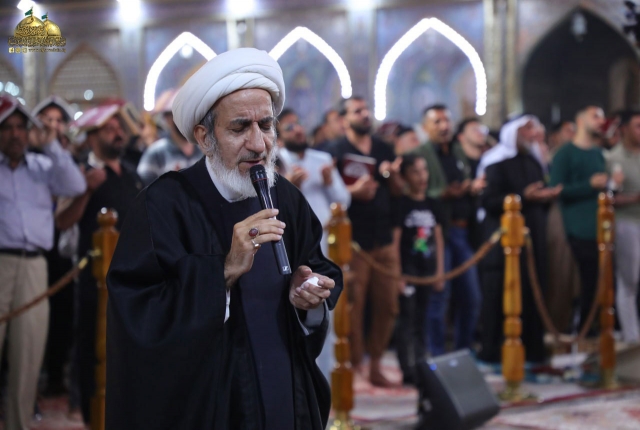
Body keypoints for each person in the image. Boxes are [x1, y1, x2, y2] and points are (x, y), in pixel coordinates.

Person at [105, 48, 342, 430]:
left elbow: (315, 269)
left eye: (266, 125)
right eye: (239, 128)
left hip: (283, 390)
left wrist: (308, 293)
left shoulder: (285, 198)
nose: (258, 144)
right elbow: (138, 312)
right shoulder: (164, 205)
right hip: (208, 404)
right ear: (204, 137)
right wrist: (224, 270)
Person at [0, 94, 86, 429]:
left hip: (35, 267)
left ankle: (19, 423)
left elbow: (76, 184)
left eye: (21, 127)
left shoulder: (42, 167)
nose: (15, 134)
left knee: (28, 354)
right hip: (1, 263)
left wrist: (51, 145)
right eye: (7, 128)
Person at [56, 102, 144, 424]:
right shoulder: (80, 173)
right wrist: (85, 191)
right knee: (92, 343)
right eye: (109, 128)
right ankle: (90, 415)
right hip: (95, 276)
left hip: (132, 277)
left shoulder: (132, 175)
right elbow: (63, 221)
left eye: (119, 127)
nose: (118, 133)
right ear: (92, 137)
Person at [332, 96, 403, 386]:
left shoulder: (383, 148)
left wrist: (393, 176)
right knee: (354, 305)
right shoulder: (335, 151)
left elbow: (397, 192)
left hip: (383, 238)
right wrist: (353, 192)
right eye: (357, 111)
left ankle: (376, 363)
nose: (365, 115)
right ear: (344, 119)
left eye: (366, 110)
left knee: (388, 305)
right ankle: (356, 365)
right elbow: (328, 194)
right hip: (353, 241)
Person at [478, 115, 561, 363]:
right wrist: (523, 197)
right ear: (512, 133)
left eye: (532, 130)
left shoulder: (534, 162)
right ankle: (495, 351)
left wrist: (546, 196)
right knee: (501, 295)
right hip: (503, 243)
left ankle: (532, 349)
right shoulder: (496, 162)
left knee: (532, 292)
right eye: (525, 130)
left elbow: (538, 198)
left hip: (532, 239)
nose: (530, 135)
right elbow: (490, 202)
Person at [276, 107, 350, 381]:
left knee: (324, 310)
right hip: (290, 247)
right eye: (289, 127)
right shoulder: (276, 160)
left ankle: (325, 379)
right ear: (279, 137)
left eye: (298, 124)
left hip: (326, 246)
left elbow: (343, 201)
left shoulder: (322, 159)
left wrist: (330, 182)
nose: (297, 130)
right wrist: (287, 185)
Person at [413, 104, 482, 356]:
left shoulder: (457, 151)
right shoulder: (419, 154)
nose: (444, 126)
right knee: (438, 296)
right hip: (435, 233)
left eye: (447, 121)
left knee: (471, 298)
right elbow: (416, 192)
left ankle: (463, 353)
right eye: (437, 122)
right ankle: (437, 355)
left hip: (462, 232)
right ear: (425, 127)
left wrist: (470, 188)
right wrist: (443, 193)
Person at [550, 105, 622, 332]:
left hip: (600, 226)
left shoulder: (598, 153)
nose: (601, 120)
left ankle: (599, 331)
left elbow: (604, 189)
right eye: (595, 116)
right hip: (575, 227)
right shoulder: (565, 153)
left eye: (602, 116)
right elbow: (556, 189)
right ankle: (582, 331)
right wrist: (588, 185)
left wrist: (613, 185)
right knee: (585, 283)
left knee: (603, 282)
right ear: (580, 121)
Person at [31, 95, 78, 396]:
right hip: (31, 246)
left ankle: (55, 375)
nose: (53, 125)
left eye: (58, 120)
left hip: (61, 247)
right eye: (47, 119)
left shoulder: (67, 158)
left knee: (61, 312)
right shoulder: (26, 156)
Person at [392, 153, 444, 385]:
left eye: (424, 170)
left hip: (427, 270)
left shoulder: (433, 204)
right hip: (408, 271)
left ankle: (422, 364)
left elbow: (439, 239)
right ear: (405, 177)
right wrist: (398, 275)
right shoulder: (402, 205)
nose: (422, 176)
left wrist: (440, 272)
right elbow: (395, 241)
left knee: (423, 319)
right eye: (415, 172)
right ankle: (407, 368)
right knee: (407, 319)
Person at [606, 109, 640, 343]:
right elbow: (608, 197)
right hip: (627, 223)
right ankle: (631, 337)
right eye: (637, 126)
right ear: (625, 129)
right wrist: (635, 198)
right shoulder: (613, 158)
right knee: (629, 280)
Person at [137, 88, 202, 185]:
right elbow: (144, 188)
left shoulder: (204, 150)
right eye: (181, 114)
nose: (187, 119)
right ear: (168, 119)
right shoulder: (156, 153)